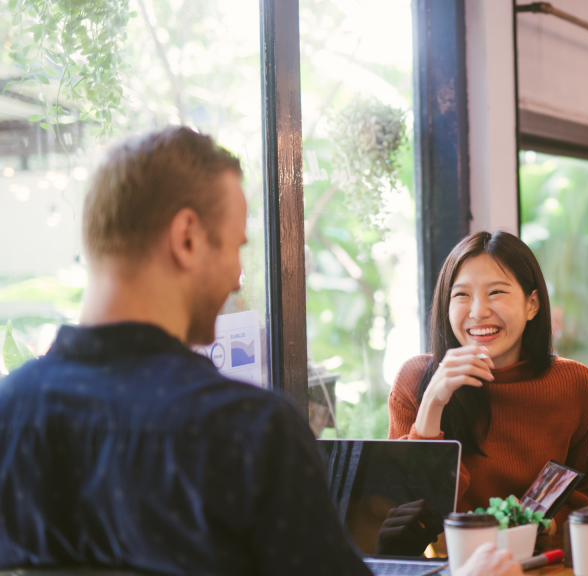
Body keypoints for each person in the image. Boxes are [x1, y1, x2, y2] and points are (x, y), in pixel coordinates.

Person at [0, 126, 524, 576]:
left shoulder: (9, 415)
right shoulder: (247, 431)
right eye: (235, 247)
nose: (236, 275)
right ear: (186, 238)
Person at [388, 231, 588, 531]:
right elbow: (403, 509)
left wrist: (525, 528)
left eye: (496, 293)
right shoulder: (414, 379)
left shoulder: (576, 385)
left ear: (532, 304)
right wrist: (432, 404)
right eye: (461, 295)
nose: (478, 312)